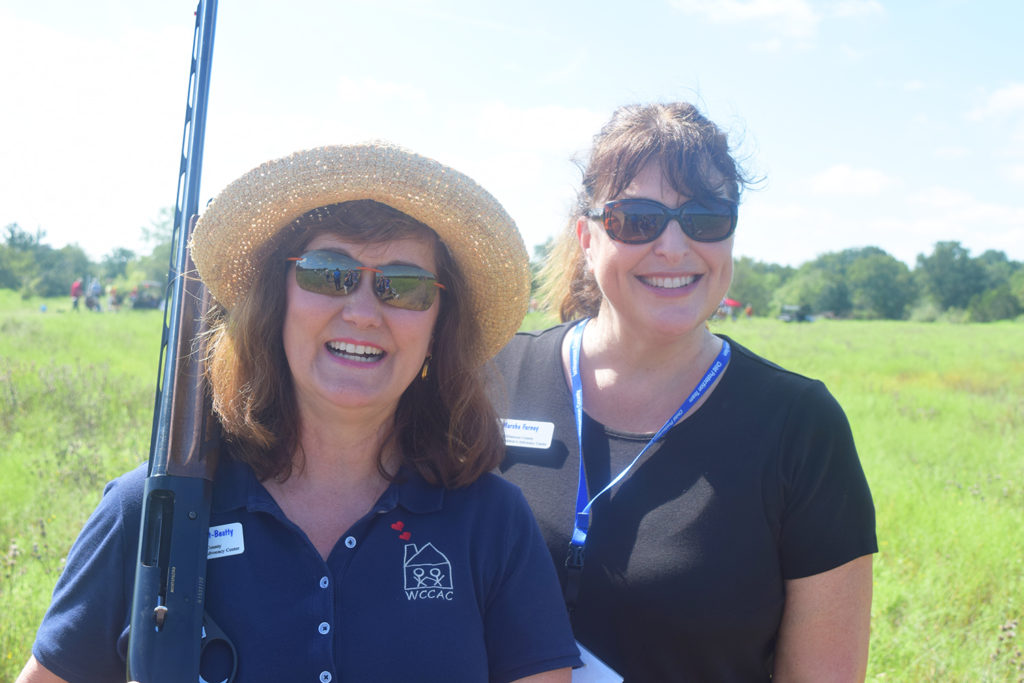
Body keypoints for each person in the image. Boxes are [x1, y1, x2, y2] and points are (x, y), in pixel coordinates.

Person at [18, 143, 580, 683]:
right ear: (275, 301)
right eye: (327, 272)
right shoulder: (148, 513)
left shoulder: (493, 521)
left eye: (403, 286)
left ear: (439, 328)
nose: (362, 312)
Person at [490, 102, 876, 682]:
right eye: (637, 219)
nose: (673, 246)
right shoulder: (490, 380)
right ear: (586, 237)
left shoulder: (798, 425)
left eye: (706, 217)